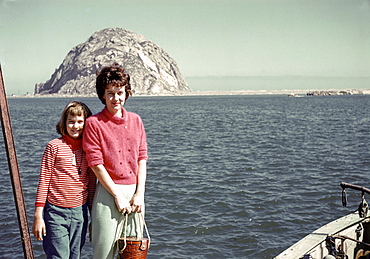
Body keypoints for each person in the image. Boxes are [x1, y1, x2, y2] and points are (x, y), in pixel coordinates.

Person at [82, 63, 148, 259]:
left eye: (119, 92)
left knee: (132, 252)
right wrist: (117, 196)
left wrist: (139, 194)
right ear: (102, 95)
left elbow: (141, 159)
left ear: (126, 93)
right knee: (104, 253)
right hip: (107, 193)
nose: (115, 98)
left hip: (134, 194)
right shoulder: (93, 123)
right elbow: (95, 164)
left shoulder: (136, 120)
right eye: (110, 93)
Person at [32, 101, 96, 259]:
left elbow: (92, 187)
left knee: (75, 255)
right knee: (58, 256)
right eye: (71, 122)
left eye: (80, 122)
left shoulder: (90, 149)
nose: (76, 126)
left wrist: (93, 219)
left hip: (80, 213)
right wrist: (38, 216)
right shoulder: (53, 146)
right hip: (55, 212)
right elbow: (44, 181)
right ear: (64, 123)